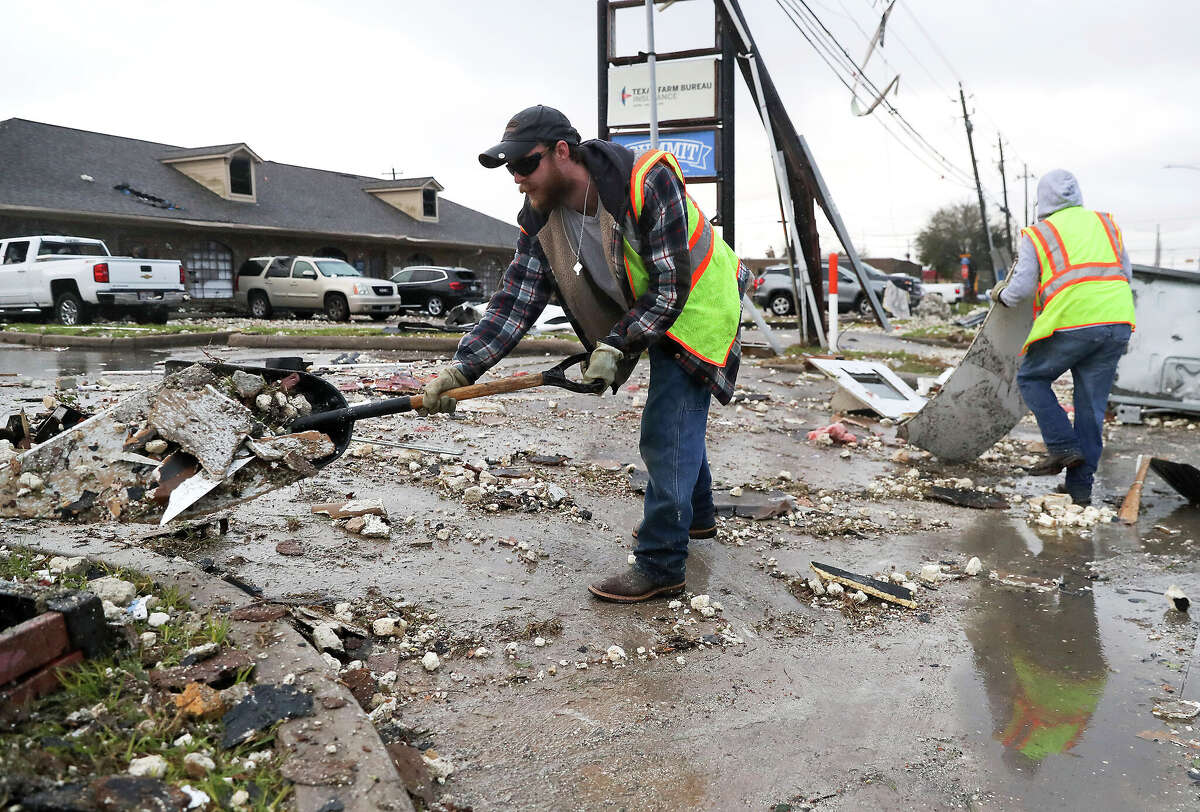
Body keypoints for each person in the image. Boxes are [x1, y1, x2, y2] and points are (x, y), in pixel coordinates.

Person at [420, 105, 749, 603]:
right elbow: (516, 301)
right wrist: (462, 367)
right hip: (649, 307)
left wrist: (617, 343)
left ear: (561, 152)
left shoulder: (645, 180)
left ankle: (662, 564)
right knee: (680, 423)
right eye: (510, 169)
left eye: (524, 165)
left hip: (700, 301)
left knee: (667, 427)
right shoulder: (542, 219)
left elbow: (670, 285)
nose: (517, 178)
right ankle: (696, 519)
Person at [991, 169, 1135, 506]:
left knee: (1032, 377)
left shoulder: (1039, 234)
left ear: (1043, 201)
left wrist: (999, 294)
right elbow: (1125, 273)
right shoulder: (1106, 224)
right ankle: (1079, 491)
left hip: (1073, 324)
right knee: (1090, 410)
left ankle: (1061, 446)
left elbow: (1021, 290)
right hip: (1117, 322)